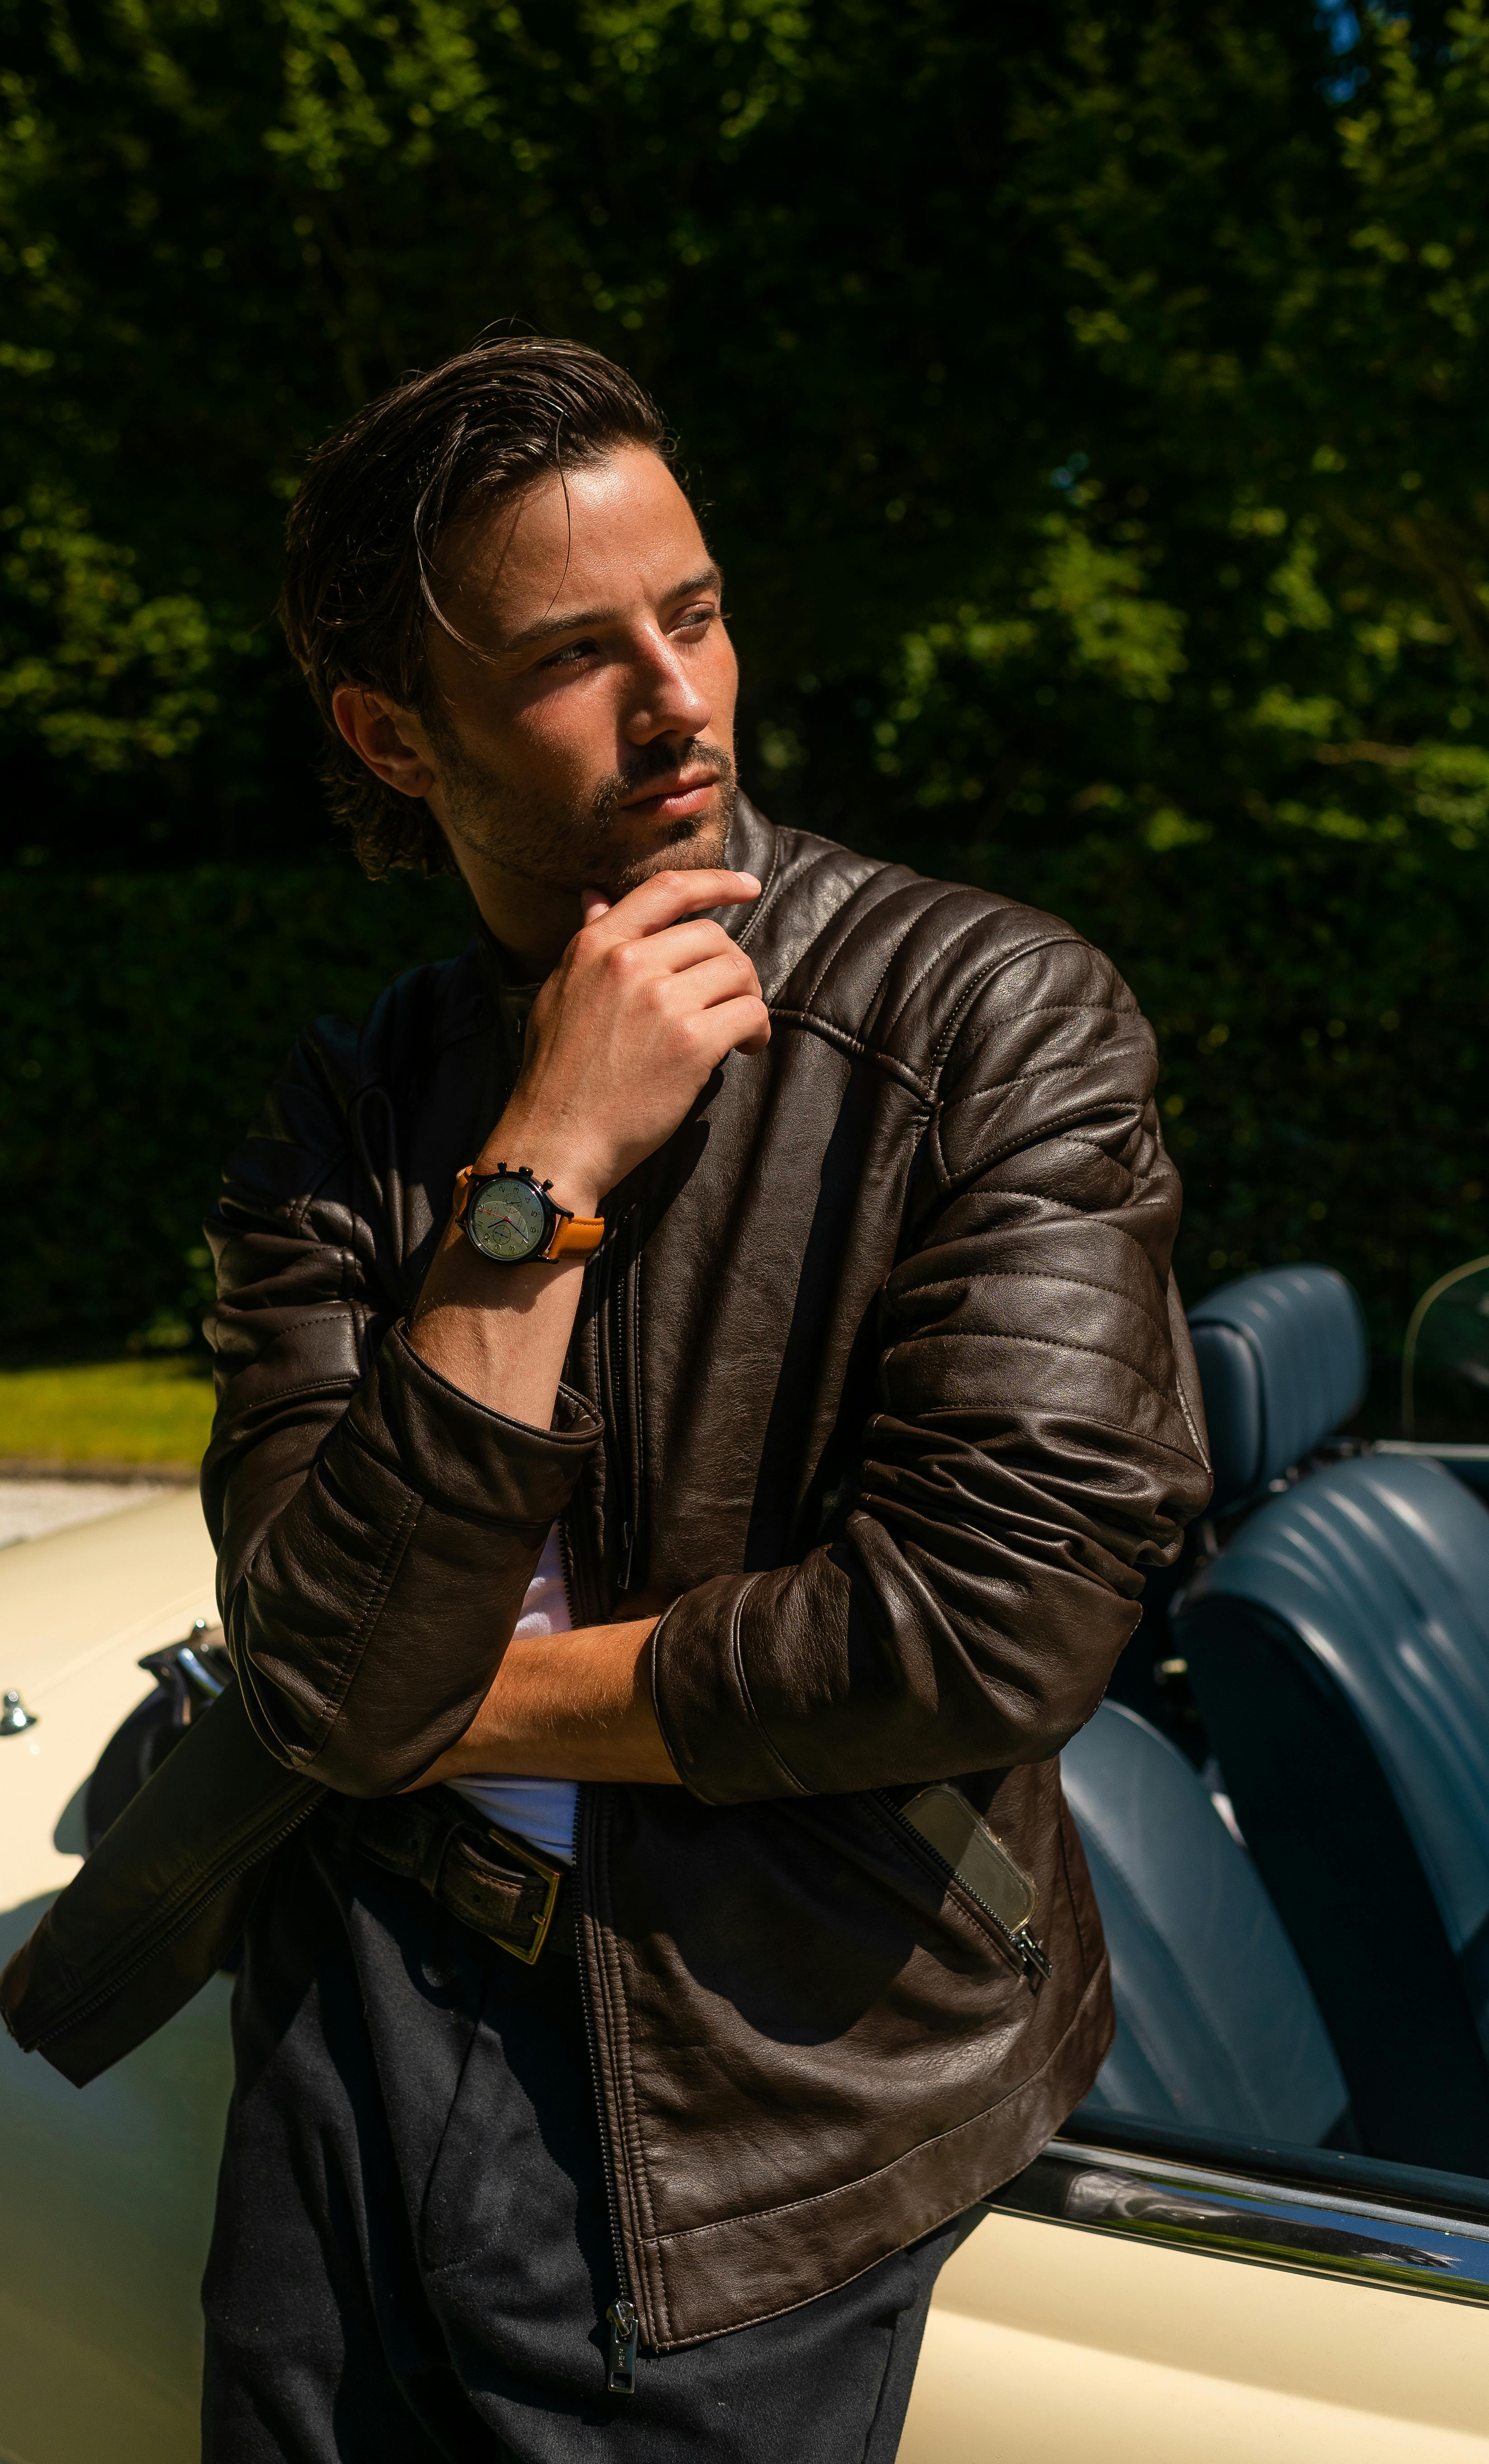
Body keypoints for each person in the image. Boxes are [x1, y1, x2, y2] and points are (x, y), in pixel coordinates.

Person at [194, 336, 1211, 2461]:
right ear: (395, 735)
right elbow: (314, 1653)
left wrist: (431, 1699)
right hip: (353, 2045)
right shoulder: (345, 1104)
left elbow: (990, 1623)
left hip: (762, 2092)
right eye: (576, 652)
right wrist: (539, 1171)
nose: (679, 700)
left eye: (696, 611)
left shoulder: (989, 1018)